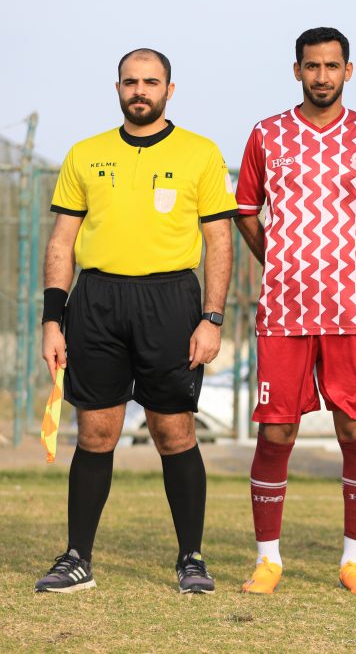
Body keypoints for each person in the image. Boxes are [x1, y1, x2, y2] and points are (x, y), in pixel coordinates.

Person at [36, 48, 236, 594]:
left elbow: (219, 241)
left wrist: (212, 318)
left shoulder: (200, 152)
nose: (140, 90)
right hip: (98, 300)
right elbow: (61, 243)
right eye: (130, 82)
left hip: (170, 300)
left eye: (151, 82)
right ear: (118, 88)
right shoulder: (86, 153)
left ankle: (191, 558)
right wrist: (52, 321)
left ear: (170, 89)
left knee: (173, 431)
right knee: (96, 431)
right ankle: (77, 558)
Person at [233, 27, 356, 596]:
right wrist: (277, 260)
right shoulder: (266, 134)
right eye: (312, 66)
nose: (322, 76)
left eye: (332, 66)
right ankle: (268, 560)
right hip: (284, 310)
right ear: (297, 71)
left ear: (347, 71)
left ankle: (354, 561)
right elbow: (245, 210)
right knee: (277, 431)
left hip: (350, 311)